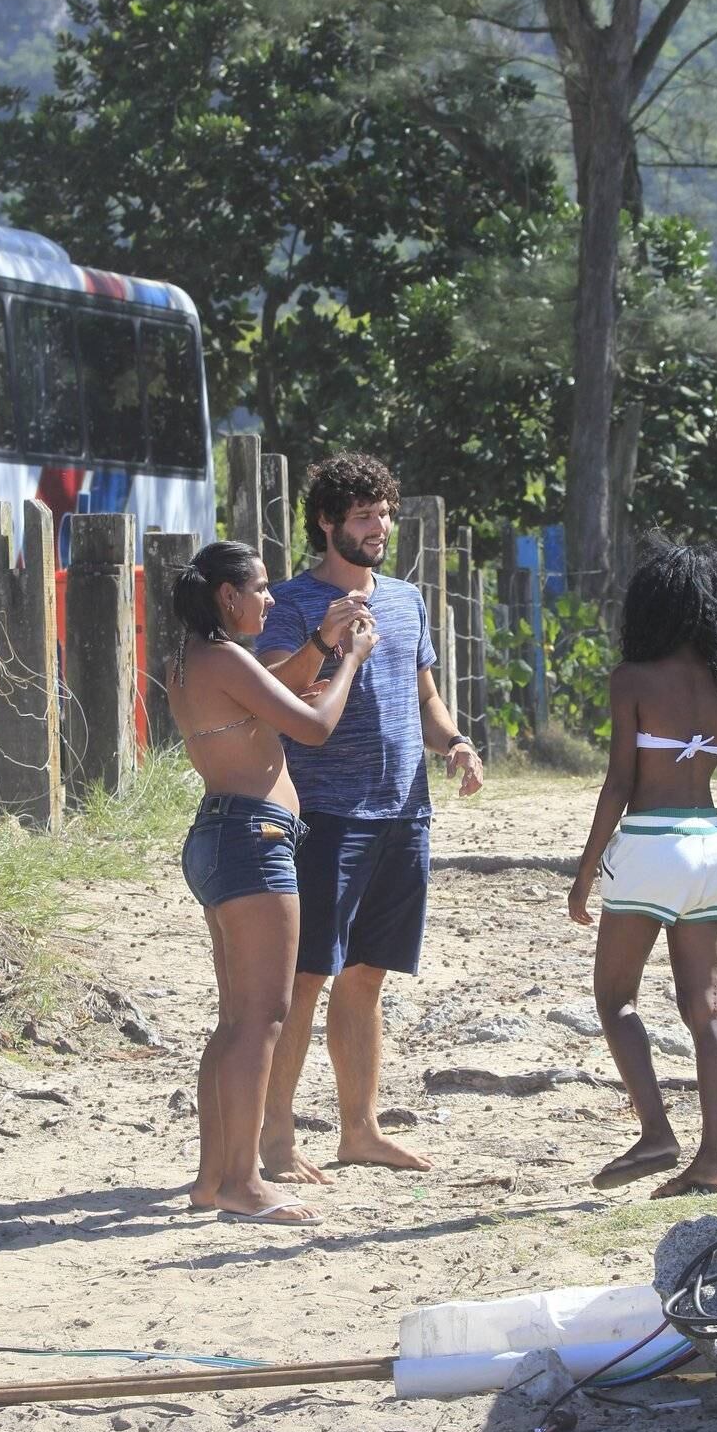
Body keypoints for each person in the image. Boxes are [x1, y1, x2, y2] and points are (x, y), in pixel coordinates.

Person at [255, 452, 484, 1184]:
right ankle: (276, 1139)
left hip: (403, 811)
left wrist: (455, 742)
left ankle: (360, 1131)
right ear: (327, 523)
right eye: (364, 516)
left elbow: (424, 696)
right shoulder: (292, 602)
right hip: (325, 813)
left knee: (366, 975)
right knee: (305, 977)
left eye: (384, 513)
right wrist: (324, 641)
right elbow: (273, 691)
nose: (380, 526)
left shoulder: (407, 600)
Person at [167, 540, 379, 1226]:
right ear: (227, 596)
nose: (270, 598)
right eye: (259, 588)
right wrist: (351, 659)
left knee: (237, 1020)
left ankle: (213, 1178)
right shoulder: (226, 658)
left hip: (222, 835)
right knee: (263, 1019)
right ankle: (242, 1181)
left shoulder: (194, 658)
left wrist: (319, 644)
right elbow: (312, 726)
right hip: (253, 841)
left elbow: (274, 690)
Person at [566, 536, 717, 1199]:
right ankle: (711, 1161)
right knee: (705, 1009)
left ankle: (654, 1132)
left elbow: (619, 783)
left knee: (616, 1000)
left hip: (650, 844)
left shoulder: (633, 680)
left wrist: (585, 871)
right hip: (711, 847)